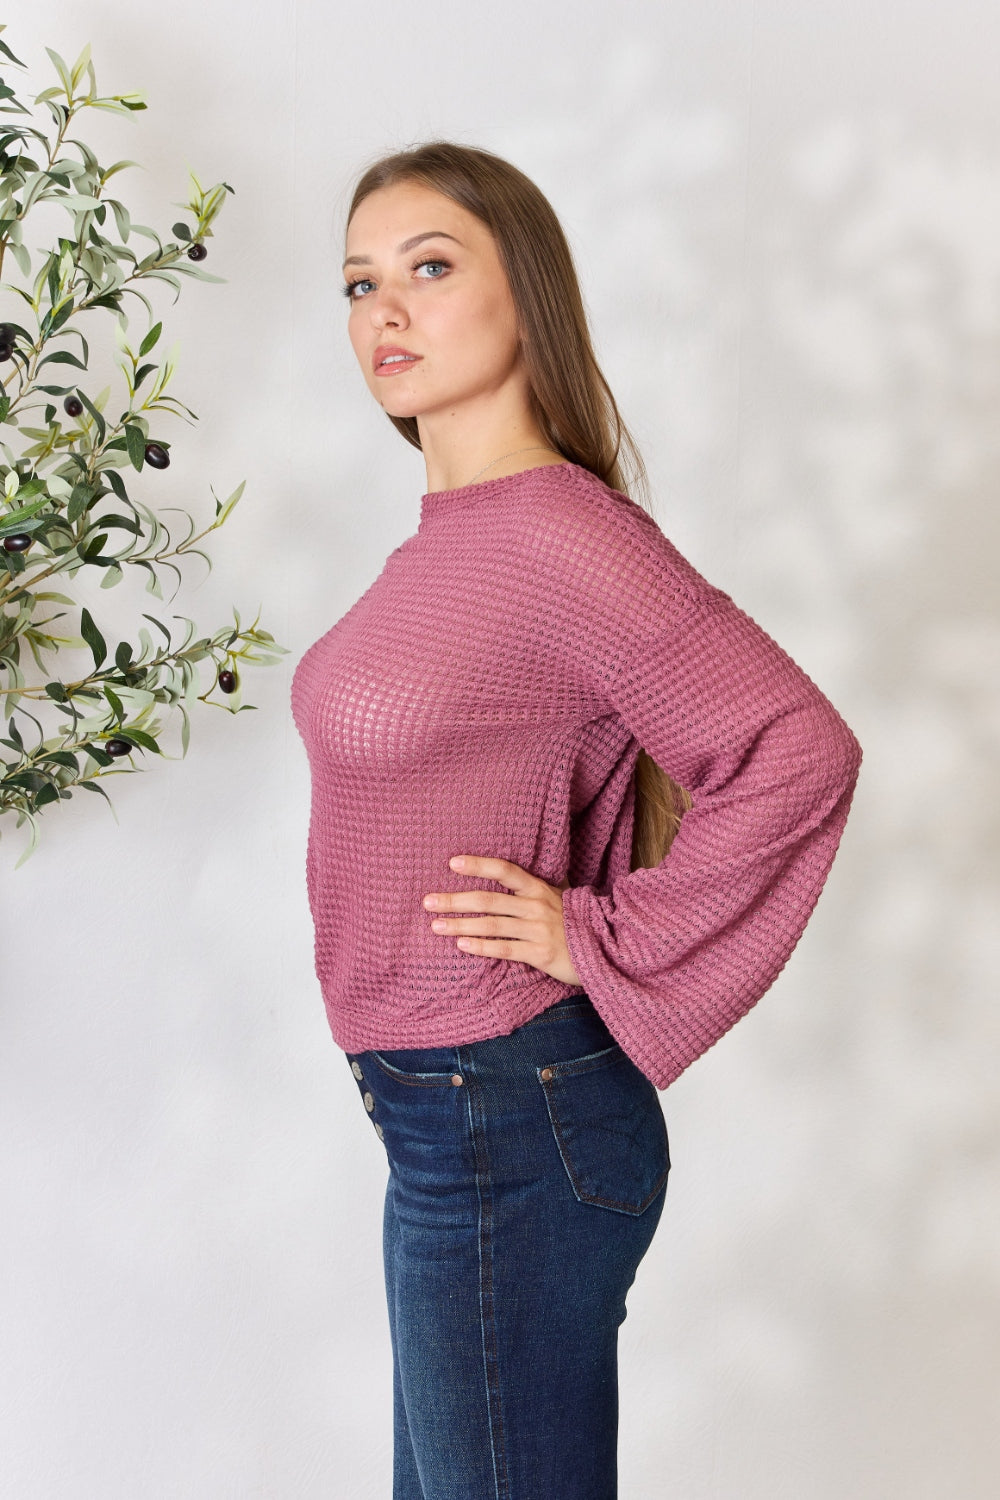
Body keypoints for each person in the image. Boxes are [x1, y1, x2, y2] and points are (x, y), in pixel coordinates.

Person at [290, 140, 862, 1500]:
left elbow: (798, 749)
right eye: (361, 283)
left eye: (430, 269)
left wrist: (598, 927)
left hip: (507, 1118)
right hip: (442, 1122)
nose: (387, 311)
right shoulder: (449, 545)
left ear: (527, 295)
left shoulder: (565, 538)